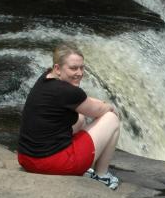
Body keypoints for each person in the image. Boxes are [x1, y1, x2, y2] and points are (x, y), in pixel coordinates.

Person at [17, 43, 121, 189]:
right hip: (51, 164)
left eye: (82, 67)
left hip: (26, 159)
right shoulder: (67, 91)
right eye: (73, 68)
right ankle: (102, 175)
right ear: (57, 68)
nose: (79, 73)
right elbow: (98, 110)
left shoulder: (46, 78)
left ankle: (86, 166)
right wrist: (110, 107)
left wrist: (100, 104)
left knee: (80, 117)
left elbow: (84, 103)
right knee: (111, 119)